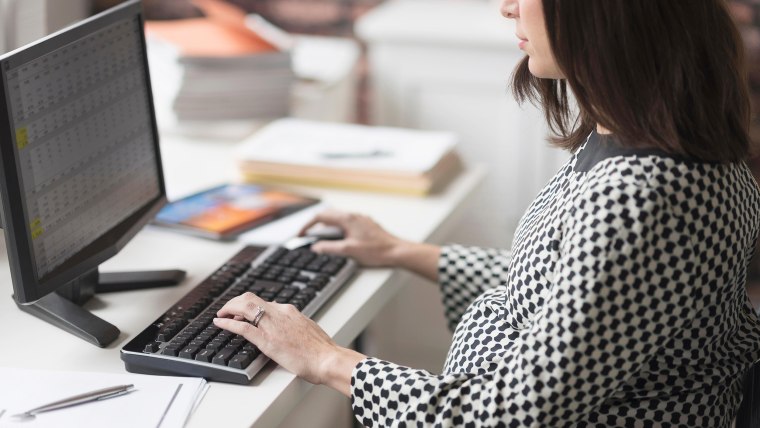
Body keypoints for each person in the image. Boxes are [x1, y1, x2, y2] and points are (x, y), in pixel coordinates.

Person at [214, 0, 760, 425]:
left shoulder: (639, 193)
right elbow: (572, 292)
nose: (506, 8)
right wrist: (402, 252)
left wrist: (326, 360)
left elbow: (510, 414)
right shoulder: (658, 139)